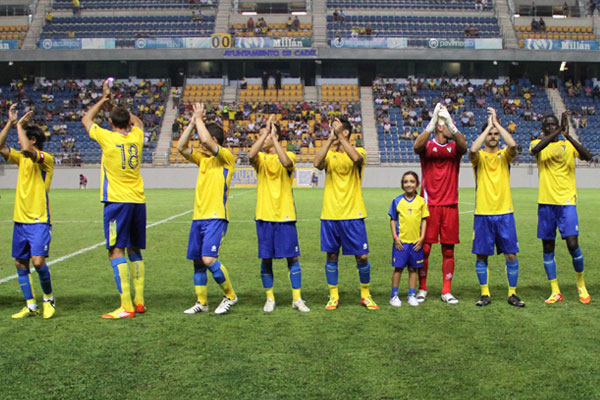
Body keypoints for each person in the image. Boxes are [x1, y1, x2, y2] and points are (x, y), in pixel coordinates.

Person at [82, 79, 147, 319]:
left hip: (117, 202)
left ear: (110, 123)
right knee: (135, 249)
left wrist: (103, 100)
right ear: (127, 121)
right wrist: (120, 107)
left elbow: (86, 120)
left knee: (115, 251)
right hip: (138, 200)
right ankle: (138, 302)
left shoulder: (107, 138)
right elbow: (138, 122)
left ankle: (126, 306)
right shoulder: (136, 137)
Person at [177, 103, 238, 315]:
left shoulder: (227, 159)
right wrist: (193, 123)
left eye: (205, 140)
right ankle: (202, 303)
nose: (201, 143)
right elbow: (181, 147)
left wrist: (200, 118)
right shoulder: (202, 159)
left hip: (216, 217)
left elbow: (204, 140)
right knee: (197, 262)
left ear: (215, 141)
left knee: (209, 259)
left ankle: (230, 295)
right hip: (198, 217)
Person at [313, 118, 378, 311]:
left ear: (347, 132)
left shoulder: (359, 152)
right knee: (332, 255)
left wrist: (340, 137)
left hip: (353, 213)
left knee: (363, 257)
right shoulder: (330, 155)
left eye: (336, 124)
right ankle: (333, 296)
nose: (331, 126)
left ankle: (365, 295)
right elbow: (317, 163)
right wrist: (330, 139)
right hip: (330, 214)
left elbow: (356, 159)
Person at [247, 116, 310, 313]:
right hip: (264, 215)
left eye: (265, 135)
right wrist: (266, 133)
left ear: (276, 136)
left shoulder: (290, 155)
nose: (262, 138)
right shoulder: (261, 159)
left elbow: (285, 162)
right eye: (260, 135)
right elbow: (250, 155)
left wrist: (273, 137)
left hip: (285, 215)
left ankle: (297, 298)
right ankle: (269, 298)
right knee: (266, 259)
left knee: (292, 258)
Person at [530, 112, 593, 304]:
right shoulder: (537, 144)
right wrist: (557, 131)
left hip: (566, 202)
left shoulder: (568, 146)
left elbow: (588, 156)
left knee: (572, 244)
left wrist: (567, 135)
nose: (550, 127)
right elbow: (535, 150)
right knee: (548, 247)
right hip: (546, 203)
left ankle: (580, 283)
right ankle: (555, 290)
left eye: (553, 124)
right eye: (547, 125)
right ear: (543, 129)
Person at [0, 104, 56, 319]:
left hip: (39, 218)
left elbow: (26, 150)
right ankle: (30, 305)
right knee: (20, 262)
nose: (19, 140)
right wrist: (10, 122)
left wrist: (20, 126)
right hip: (20, 219)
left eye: (23, 136)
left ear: (33, 140)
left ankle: (48, 298)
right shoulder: (21, 158)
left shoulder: (45, 159)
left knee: (38, 261)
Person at [469, 107, 525, 308]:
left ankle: (512, 293)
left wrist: (497, 124)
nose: (493, 136)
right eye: (490, 134)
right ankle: (485, 293)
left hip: (505, 213)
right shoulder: (479, 158)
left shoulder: (504, 155)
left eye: (495, 134)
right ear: (484, 136)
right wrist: (488, 126)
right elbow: (473, 150)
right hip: (483, 213)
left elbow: (513, 145)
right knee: (482, 254)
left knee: (511, 254)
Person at [413, 103, 468, 305]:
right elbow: (416, 146)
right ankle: (423, 288)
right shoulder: (427, 146)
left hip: (450, 205)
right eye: (443, 121)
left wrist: (453, 127)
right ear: (437, 125)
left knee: (448, 250)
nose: (446, 124)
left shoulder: (454, 148)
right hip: (429, 205)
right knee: (425, 248)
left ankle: (446, 291)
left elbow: (464, 146)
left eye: (447, 121)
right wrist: (431, 123)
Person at [388, 171, 429, 308]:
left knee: (413, 270)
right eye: (405, 181)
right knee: (398, 269)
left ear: (417, 184)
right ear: (402, 184)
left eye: (412, 181)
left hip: (415, 243)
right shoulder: (397, 201)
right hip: (401, 243)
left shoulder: (421, 201)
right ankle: (394, 295)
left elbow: (424, 220)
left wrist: (422, 237)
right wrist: (395, 237)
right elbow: (393, 220)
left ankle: (411, 295)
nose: (408, 184)